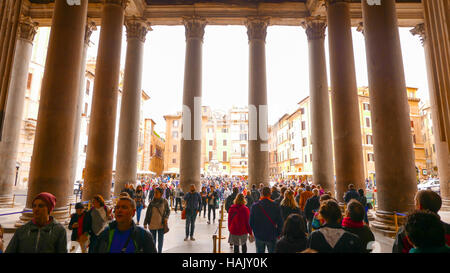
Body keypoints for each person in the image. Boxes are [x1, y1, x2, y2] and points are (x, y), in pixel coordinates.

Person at [249, 187, 283, 253]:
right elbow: (280, 221)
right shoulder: (275, 205)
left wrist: (253, 232)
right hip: (272, 234)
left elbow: (251, 221)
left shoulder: (255, 206)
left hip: (259, 234)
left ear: (261, 194)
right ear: (270, 194)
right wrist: (278, 233)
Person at [143, 187, 170, 253]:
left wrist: (166, 218)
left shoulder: (164, 201)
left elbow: (168, 211)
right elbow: (148, 213)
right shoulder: (152, 202)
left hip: (161, 224)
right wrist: (145, 223)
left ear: (161, 193)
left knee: (160, 240)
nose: (155, 194)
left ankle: (160, 251)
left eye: (157, 192)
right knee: (153, 240)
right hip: (152, 224)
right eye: (155, 192)